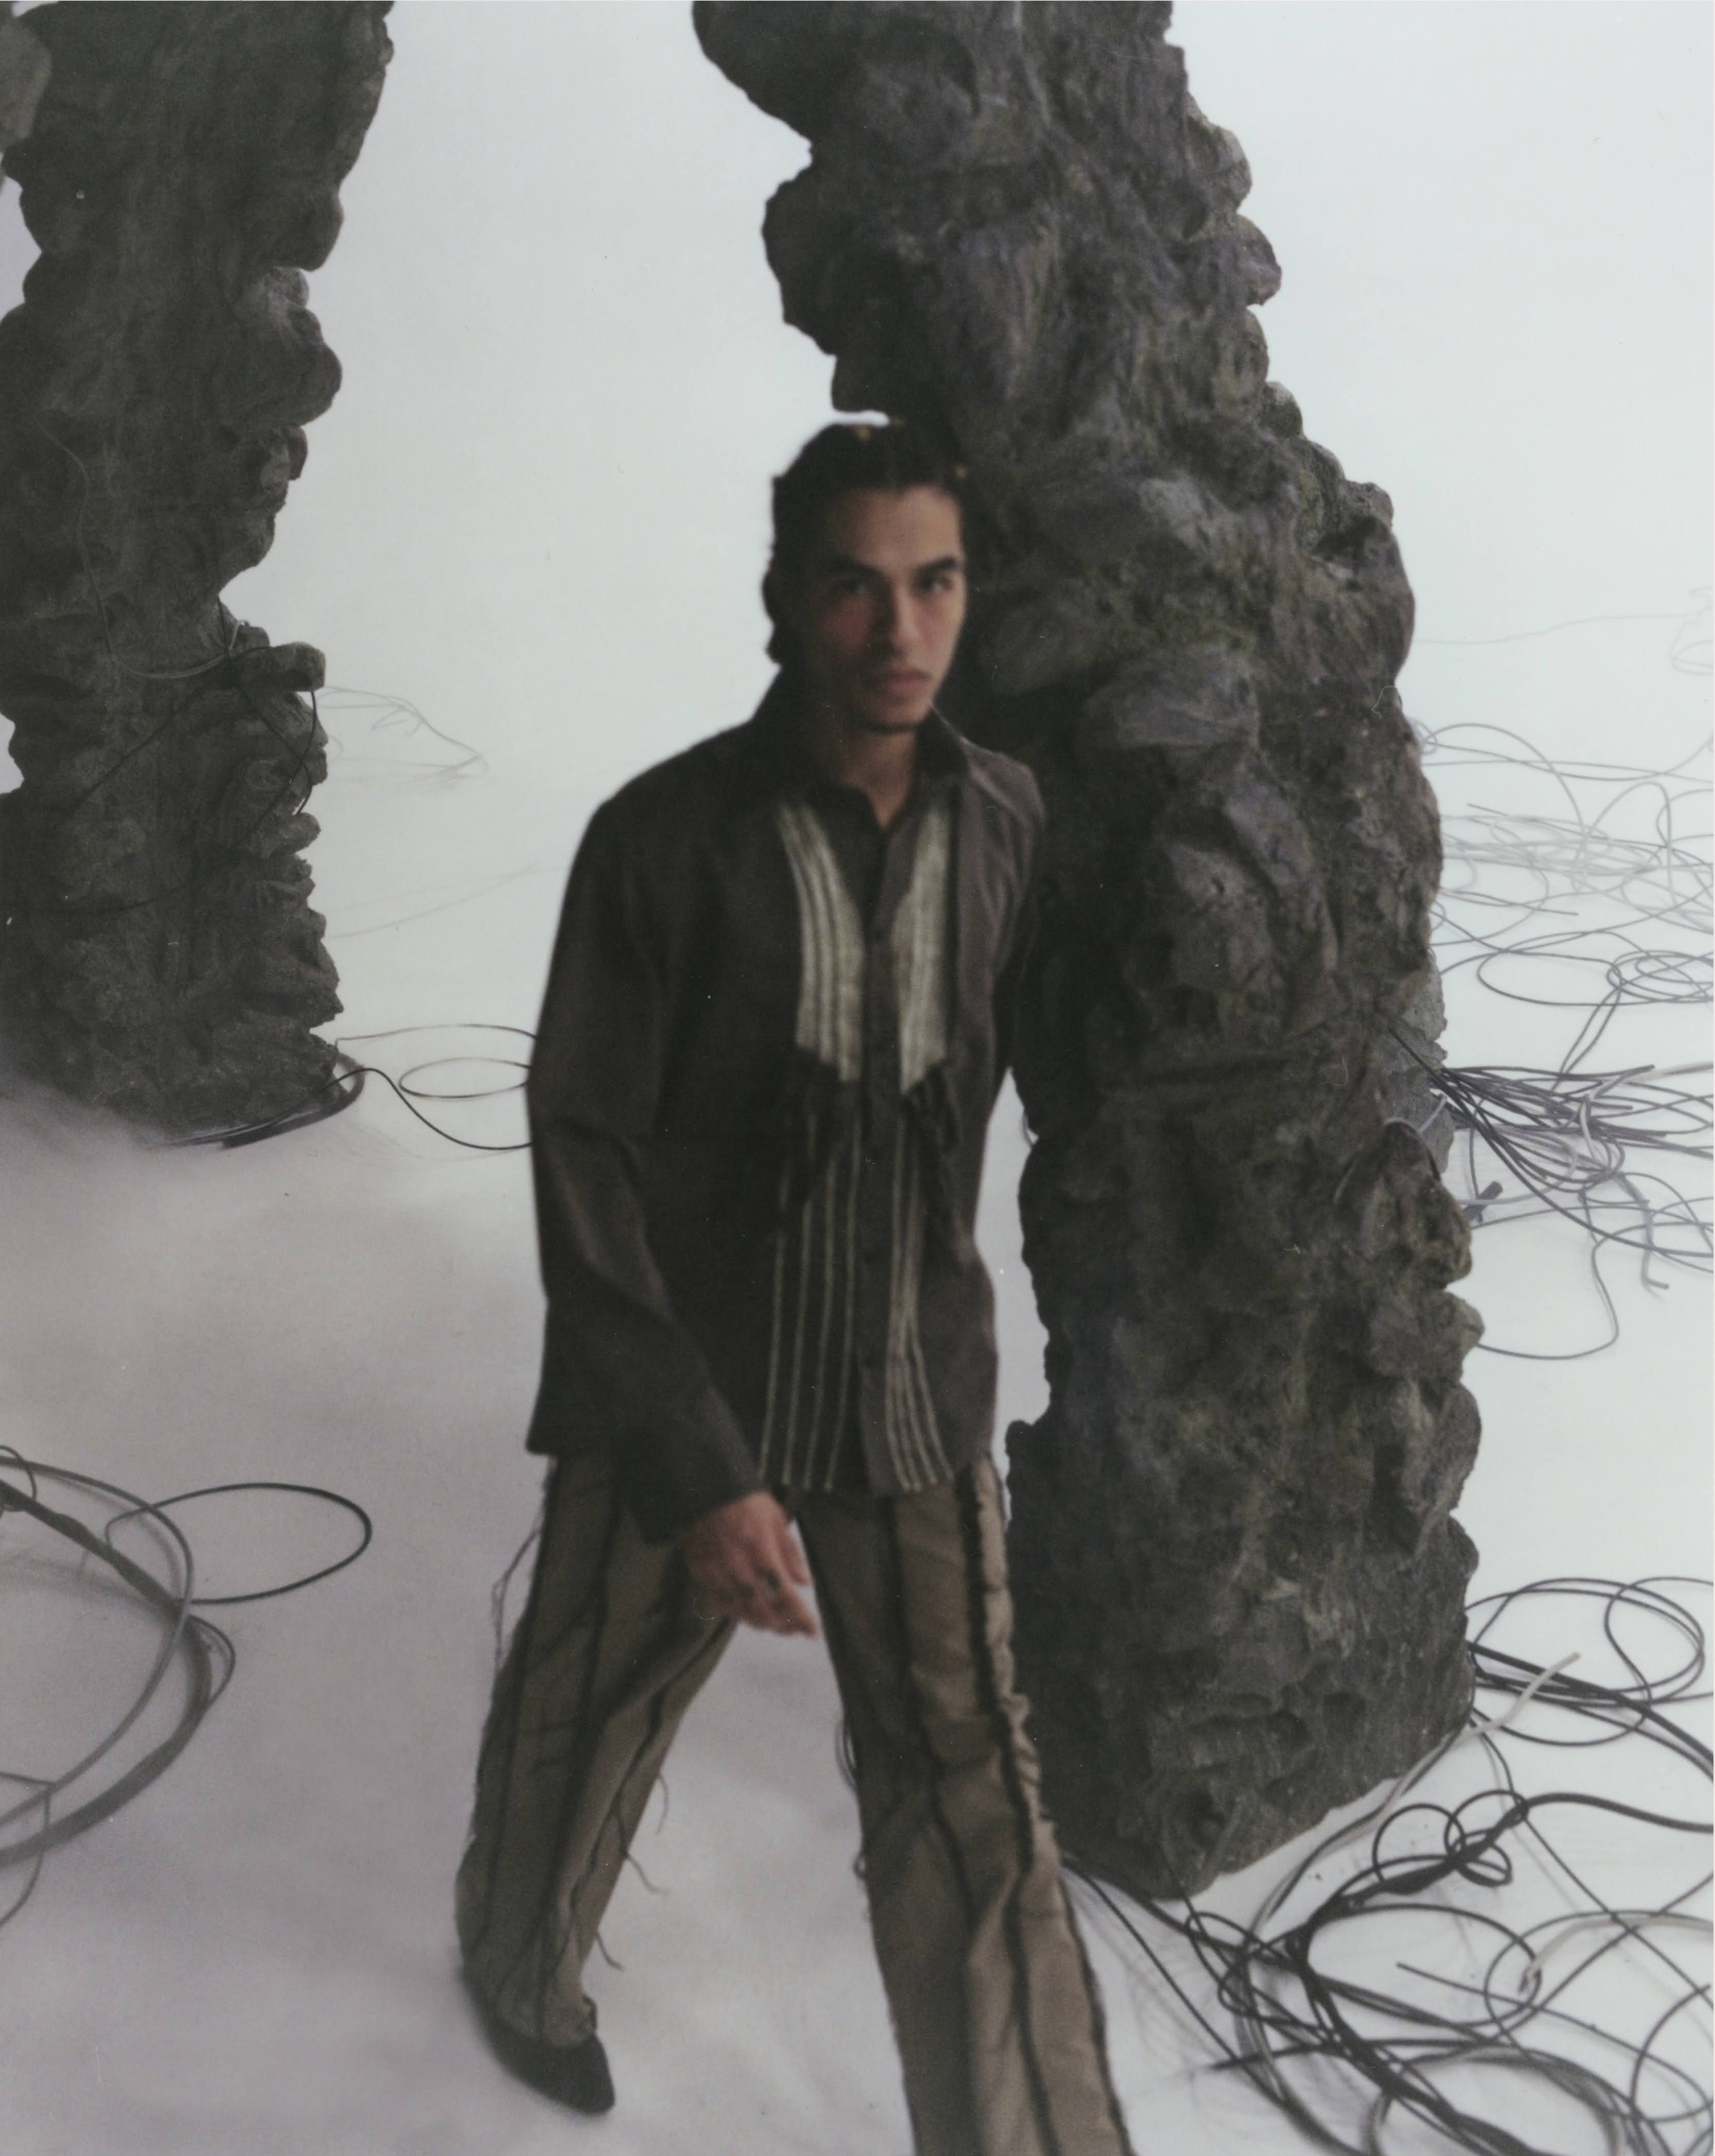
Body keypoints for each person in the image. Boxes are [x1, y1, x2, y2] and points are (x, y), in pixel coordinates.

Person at [455, 422, 1134, 2156]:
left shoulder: (1008, 819)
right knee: (587, 1698)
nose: (900, 630)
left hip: (910, 1386)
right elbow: (583, 1148)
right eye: (855, 585)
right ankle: (518, 1974)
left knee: (971, 1793)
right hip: (690, 1380)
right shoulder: (662, 839)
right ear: (785, 599)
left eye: (935, 583)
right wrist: (696, 1466)